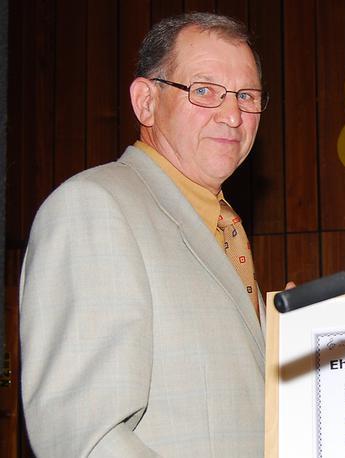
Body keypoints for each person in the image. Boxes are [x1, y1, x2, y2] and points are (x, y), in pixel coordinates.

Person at [20, 13, 268, 456]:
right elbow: (84, 438)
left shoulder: (219, 225)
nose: (232, 115)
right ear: (146, 102)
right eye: (204, 90)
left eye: (246, 96)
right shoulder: (94, 208)